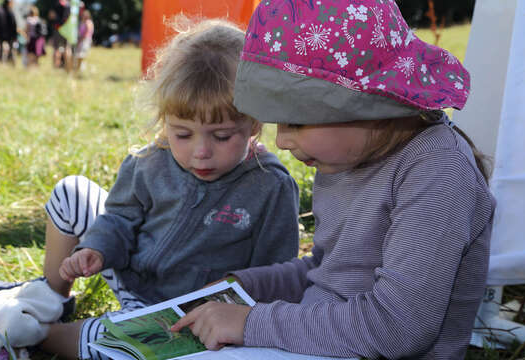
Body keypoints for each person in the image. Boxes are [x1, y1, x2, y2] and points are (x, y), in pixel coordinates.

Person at [0, 17, 301, 360]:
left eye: (222, 136)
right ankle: (53, 299)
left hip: (183, 316)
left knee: (120, 347)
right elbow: (118, 219)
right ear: (165, 120)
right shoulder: (150, 161)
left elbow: (276, 271)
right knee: (71, 193)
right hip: (128, 275)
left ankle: (37, 334)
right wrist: (96, 250)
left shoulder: (270, 186)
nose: (201, 151)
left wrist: (234, 307)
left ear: (254, 122)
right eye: (182, 134)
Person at [171, 1, 496, 359]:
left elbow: (399, 327)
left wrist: (252, 323)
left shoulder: (437, 172)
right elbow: (328, 271)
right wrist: (247, 285)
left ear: (365, 106)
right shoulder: (344, 157)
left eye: (296, 121)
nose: (281, 141)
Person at [0, 0, 17, 64]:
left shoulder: (1, 11)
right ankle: (10, 62)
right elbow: (13, 24)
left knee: (3, 49)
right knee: (10, 50)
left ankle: (3, 62)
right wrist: (15, 36)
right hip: (10, 36)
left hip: (1, 35)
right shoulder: (10, 12)